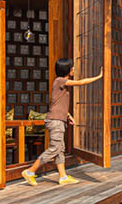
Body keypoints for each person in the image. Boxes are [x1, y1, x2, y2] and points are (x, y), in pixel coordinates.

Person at [21, 58, 102, 186]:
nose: (74, 69)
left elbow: (58, 104)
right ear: (67, 69)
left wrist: (68, 116)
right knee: (54, 148)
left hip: (59, 120)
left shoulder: (60, 84)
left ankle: (63, 177)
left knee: (60, 149)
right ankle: (30, 171)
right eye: (72, 67)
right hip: (55, 121)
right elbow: (81, 83)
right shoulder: (60, 81)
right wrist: (99, 76)